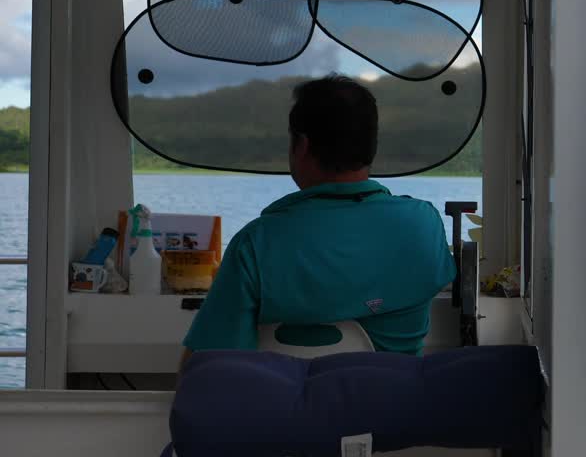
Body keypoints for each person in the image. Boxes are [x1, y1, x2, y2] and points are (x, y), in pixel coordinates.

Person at [181, 74, 455, 364]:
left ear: (301, 145)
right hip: (393, 406)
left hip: (284, 408)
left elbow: (206, 368)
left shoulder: (255, 244)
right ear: (371, 145)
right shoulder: (423, 226)